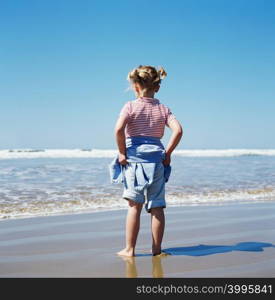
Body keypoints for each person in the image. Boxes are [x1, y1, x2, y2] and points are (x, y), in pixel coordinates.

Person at [114, 65, 183, 257]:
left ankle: (130, 249)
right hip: (157, 163)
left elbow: (119, 130)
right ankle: (156, 249)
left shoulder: (130, 106)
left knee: (134, 206)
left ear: (136, 87)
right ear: (157, 87)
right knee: (157, 206)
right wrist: (167, 153)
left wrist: (122, 153)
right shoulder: (163, 109)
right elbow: (178, 130)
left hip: (134, 162)